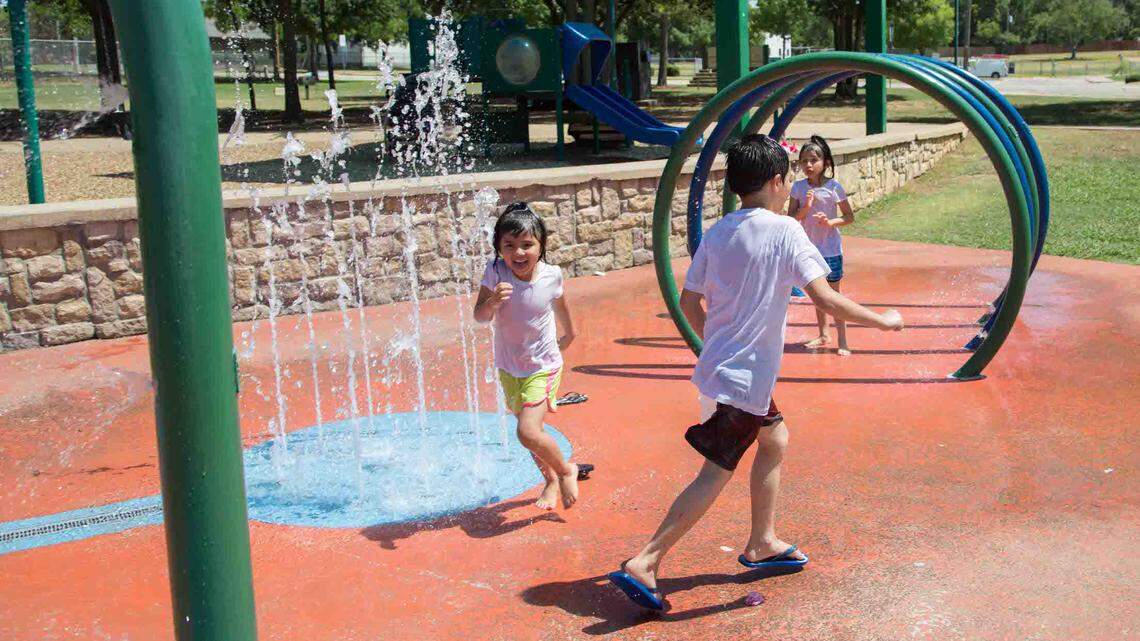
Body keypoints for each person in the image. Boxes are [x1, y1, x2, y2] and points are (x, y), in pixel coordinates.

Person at [607, 135, 903, 611]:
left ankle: (762, 542)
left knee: (775, 439)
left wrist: (714, 351)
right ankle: (645, 560)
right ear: (775, 181)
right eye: (786, 179)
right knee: (716, 471)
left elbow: (688, 303)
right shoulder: (786, 231)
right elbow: (825, 297)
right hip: (742, 381)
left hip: (725, 372)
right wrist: (882, 320)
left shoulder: (720, 230)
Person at [473, 202, 581, 510]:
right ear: (499, 248)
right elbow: (480, 316)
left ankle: (564, 471)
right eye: (510, 245)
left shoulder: (551, 275)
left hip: (542, 366)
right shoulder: (495, 272)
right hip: (509, 367)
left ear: (540, 246)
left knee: (527, 431)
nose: (519, 253)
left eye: (527, 245)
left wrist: (570, 333)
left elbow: (559, 304)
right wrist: (492, 301)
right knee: (531, 434)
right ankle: (549, 481)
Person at [790, 135, 857, 355]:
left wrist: (830, 222)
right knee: (819, 297)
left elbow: (849, 217)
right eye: (804, 161)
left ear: (825, 163)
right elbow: (792, 218)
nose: (808, 165)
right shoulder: (798, 188)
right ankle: (823, 334)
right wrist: (806, 207)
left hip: (830, 250)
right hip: (810, 251)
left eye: (813, 160)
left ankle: (843, 340)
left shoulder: (834, 187)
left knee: (835, 296)